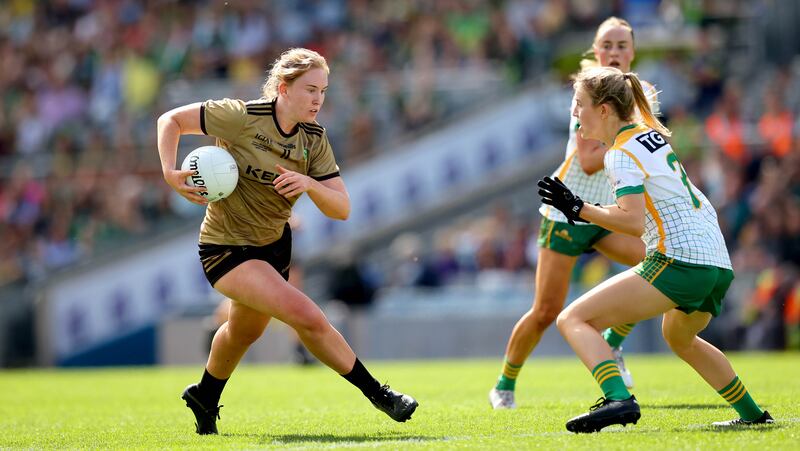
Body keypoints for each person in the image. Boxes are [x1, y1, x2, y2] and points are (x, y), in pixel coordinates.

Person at [156, 48, 418, 435]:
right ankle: (380, 394)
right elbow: (170, 120)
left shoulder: (314, 140)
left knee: (246, 332)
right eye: (310, 89)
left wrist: (310, 184)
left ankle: (205, 395)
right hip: (225, 247)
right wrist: (168, 172)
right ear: (283, 88)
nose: (318, 100)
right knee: (307, 316)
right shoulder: (241, 116)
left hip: (273, 248)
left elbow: (341, 208)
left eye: (323, 91)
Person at [539, 66, 773, 432]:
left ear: (604, 110)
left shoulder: (618, 154)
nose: (574, 113)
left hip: (680, 261)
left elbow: (632, 221)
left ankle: (618, 399)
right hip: (716, 263)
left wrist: (578, 209)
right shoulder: (647, 136)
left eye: (579, 104)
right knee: (679, 337)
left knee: (573, 319)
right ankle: (753, 414)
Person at [490, 17, 655, 409]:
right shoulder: (587, 91)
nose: (614, 53)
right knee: (546, 311)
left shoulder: (643, 93)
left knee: (655, 271)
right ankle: (504, 383)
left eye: (621, 46)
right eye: (607, 46)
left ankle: (612, 344)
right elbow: (588, 158)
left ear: (632, 52)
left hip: (606, 212)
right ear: (594, 52)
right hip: (568, 212)